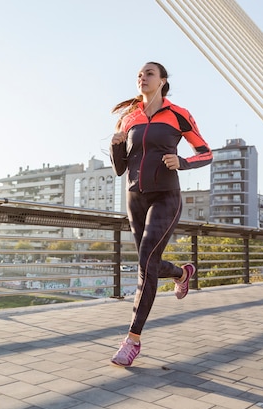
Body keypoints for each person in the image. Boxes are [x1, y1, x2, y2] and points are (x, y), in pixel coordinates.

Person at [109, 61, 213, 367]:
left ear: (162, 81)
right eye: (139, 74)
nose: (142, 77)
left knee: (145, 261)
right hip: (134, 198)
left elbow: (205, 151)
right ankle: (182, 273)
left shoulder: (178, 114)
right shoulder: (129, 119)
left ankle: (132, 340)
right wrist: (116, 147)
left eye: (149, 73)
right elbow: (119, 169)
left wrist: (182, 162)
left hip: (166, 196)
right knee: (148, 260)